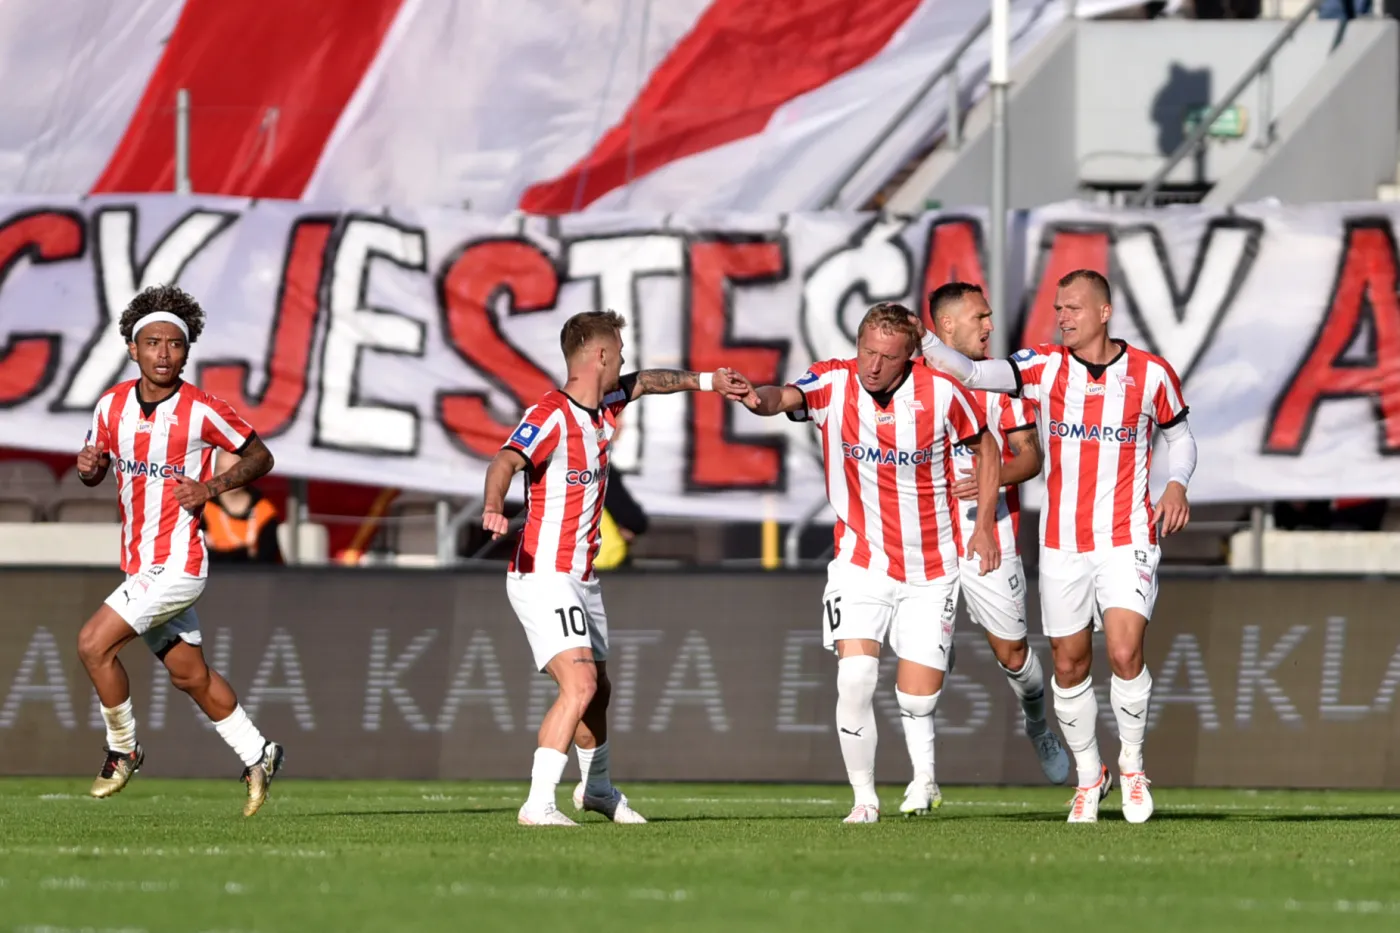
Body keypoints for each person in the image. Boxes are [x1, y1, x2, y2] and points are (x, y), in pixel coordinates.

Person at [918, 269, 1196, 824]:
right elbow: (970, 371)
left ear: (1103, 312)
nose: (1062, 317)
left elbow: (1180, 435)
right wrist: (923, 339)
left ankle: (1135, 767)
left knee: (1123, 652)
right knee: (1068, 667)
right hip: (1063, 543)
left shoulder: (1150, 374)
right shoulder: (1043, 367)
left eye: (1071, 308)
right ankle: (1091, 777)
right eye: (1058, 307)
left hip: (1127, 536)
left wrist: (1176, 484)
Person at [728, 302, 1003, 823]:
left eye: (887, 356)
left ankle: (925, 778)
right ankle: (864, 800)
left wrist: (984, 525)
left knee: (917, 700)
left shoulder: (942, 393)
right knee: (854, 678)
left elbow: (986, 449)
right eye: (867, 351)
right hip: (860, 560)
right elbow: (782, 398)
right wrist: (753, 397)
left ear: (908, 359)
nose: (873, 365)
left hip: (932, 565)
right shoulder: (834, 383)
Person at [481, 309, 747, 827]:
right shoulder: (551, 414)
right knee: (578, 685)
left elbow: (648, 382)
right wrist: (495, 503)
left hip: (582, 576)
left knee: (597, 690)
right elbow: (505, 460)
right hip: (542, 572)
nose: (624, 360)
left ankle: (598, 788)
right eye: (619, 351)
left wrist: (711, 381)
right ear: (599, 355)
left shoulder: (605, 404)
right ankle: (538, 803)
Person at [74, 283, 285, 816]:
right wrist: (90, 470)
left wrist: (211, 488)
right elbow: (97, 468)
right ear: (133, 349)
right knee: (189, 673)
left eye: (174, 344)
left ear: (186, 351)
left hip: (179, 564)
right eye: (153, 343)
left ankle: (123, 751)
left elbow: (261, 456)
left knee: (94, 644)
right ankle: (258, 752)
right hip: (140, 563)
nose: (163, 353)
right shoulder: (111, 407)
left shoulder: (201, 410)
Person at [925, 283, 1070, 791]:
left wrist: (994, 477)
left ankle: (1037, 724)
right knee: (923, 654)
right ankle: (922, 781)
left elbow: (1030, 457)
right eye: (979, 317)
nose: (989, 326)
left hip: (993, 535)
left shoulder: (1001, 383)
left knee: (1015, 657)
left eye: (989, 316)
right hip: (926, 538)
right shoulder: (914, 381)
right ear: (945, 327)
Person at [201, 448, 284, 564]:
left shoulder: (265, 510)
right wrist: (245, 552)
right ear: (214, 473)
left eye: (236, 469)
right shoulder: (202, 510)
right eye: (223, 470)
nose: (229, 477)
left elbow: (268, 560)